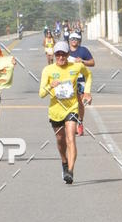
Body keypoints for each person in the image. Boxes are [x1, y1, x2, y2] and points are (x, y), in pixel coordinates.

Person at [39, 40, 92, 184]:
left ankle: (70, 171)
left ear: (68, 54)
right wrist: (51, 85)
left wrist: (87, 92)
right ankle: (64, 161)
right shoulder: (48, 70)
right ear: (55, 55)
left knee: (70, 138)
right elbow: (41, 94)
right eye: (58, 55)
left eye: (63, 54)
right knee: (60, 140)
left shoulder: (76, 66)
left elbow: (88, 75)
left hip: (72, 108)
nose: (61, 57)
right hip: (55, 110)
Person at [67, 32, 95, 136]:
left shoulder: (83, 50)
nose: (74, 40)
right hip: (68, 81)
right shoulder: (65, 51)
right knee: (70, 103)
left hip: (80, 80)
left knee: (80, 103)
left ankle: (80, 123)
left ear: (79, 40)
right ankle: (72, 123)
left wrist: (82, 61)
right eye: (72, 38)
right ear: (69, 40)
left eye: (76, 39)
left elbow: (92, 62)